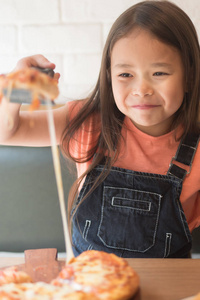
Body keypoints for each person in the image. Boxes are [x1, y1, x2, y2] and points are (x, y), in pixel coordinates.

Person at [0, 0, 199, 258]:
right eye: (126, 75)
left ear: (189, 76)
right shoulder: (87, 122)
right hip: (91, 283)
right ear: (108, 75)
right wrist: (15, 89)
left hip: (167, 285)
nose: (142, 89)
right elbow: (8, 131)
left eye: (159, 73)